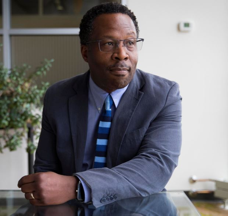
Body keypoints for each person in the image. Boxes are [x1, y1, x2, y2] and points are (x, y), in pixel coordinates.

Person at [18, 2, 182, 209]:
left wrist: (78, 186)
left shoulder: (163, 95)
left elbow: (157, 166)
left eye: (130, 42)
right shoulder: (58, 96)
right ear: (85, 53)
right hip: (71, 209)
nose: (122, 54)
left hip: (140, 208)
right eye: (108, 44)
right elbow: (46, 168)